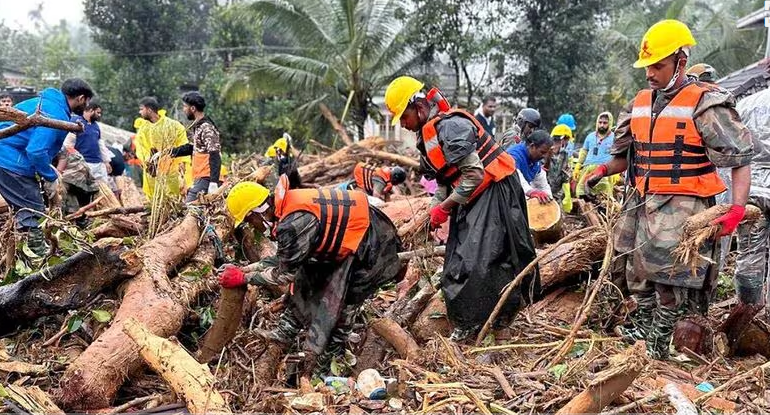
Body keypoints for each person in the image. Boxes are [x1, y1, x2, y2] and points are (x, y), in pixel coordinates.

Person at [585, 20, 753, 359]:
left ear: (681, 61)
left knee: (671, 280)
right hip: (641, 201)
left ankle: (660, 344)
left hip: (684, 205)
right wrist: (601, 169)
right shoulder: (640, 102)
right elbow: (623, 157)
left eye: (658, 65)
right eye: (647, 66)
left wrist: (736, 209)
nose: (650, 73)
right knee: (635, 274)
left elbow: (740, 159)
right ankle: (642, 333)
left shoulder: (706, 103)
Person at [384, 76, 539, 341]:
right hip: (473, 196)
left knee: (482, 261)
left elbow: (474, 175)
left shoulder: (452, 127)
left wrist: (444, 207)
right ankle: (471, 322)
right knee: (456, 260)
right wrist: (434, 211)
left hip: (496, 190)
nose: (403, 124)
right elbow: (445, 178)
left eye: (404, 116)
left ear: (419, 106)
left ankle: (497, 324)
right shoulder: (428, 135)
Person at [218, 174, 404, 377]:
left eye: (248, 220)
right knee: (305, 278)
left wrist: (243, 279)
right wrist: (245, 269)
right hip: (349, 241)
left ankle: (329, 364)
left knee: (343, 305)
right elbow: (285, 259)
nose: (251, 226)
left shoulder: (293, 223)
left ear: (258, 212)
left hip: (372, 246)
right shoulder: (286, 210)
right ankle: (286, 331)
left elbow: (283, 273)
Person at [0, 79, 93, 255]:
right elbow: (36, 151)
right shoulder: (55, 112)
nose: (87, 105)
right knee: (32, 211)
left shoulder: (48, 104)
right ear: (81, 98)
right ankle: (37, 258)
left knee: (27, 208)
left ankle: (29, 252)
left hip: (11, 156)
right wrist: (49, 176)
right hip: (9, 159)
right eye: (87, 101)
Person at [731, 87, 770, 323]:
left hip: (751, 190)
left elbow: (735, 149)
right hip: (753, 187)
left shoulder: (746, 104)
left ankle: (748, 318)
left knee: (749, 254)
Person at [165, 92, 222, 203]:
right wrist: (168, 152)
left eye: (185, 106)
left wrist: (213, 182)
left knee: (189, 208)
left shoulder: (206, 128)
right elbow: (191, 148)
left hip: (206, 178)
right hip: (200, 177)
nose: (184, 109)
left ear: (193, 108)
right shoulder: (198, 126)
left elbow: (214, 153)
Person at [134, 97, 189, 199]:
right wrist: (147, 159)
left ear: (149, 110)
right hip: (153, 170)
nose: (139, 112)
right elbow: (140, 146)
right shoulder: (143, 129)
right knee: (154, 198)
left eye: (141, 109)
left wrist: (183, 162)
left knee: (173, 197)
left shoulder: (172, 125)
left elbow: (183, 143)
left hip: (171, 169)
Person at [66, 102, 116, 194]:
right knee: (82, 190)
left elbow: (100, 144)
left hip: (98, 163)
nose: (99, 115)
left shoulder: (96, 126)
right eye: (98, 112)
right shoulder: (75, 122)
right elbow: (68, 144)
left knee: (102, 189)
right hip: (83, 163)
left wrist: (106, 161)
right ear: (90, 110)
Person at [573, 112, 618, 199]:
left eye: (605, 123)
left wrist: (617, 173)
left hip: (605, 171)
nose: (602, 125)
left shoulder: (614, 138)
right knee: (582, 192)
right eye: (600, 122)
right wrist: (578, 165)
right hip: (588, 169)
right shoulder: (590, 136)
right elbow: (584, 151)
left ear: (610, 123)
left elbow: (618, 155)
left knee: (604, 197)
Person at [506, 130, 554, 203]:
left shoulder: (535, 161)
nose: (544, 156)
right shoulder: (513, 156)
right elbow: (517, 179)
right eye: (542, 152)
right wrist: (531, 192)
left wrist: (550, 200)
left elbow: (542, 185)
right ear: (532, 146)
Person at [546, 124, 573, 203]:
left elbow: (564, 175)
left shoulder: (564, 154)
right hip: (544, 192)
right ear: (563, 139)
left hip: (557, 194)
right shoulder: (545, 150)